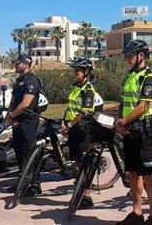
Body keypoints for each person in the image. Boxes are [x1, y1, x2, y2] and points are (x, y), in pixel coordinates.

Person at [115, 39, 152, 225]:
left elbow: (143, 106)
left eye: (130, 55)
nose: (127, 59)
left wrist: (124, 121)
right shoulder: (130, 75)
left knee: (147, 173)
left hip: (143, 129)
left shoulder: (149, 77)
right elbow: (124, 101)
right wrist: (120, 121)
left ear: (141, 56)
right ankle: (137, 212)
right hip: (129, 129)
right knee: (133, 172)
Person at [60, 56, 102, 210]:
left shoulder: (88, 89)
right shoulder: (75, 87)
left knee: (86, 164)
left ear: (86, 73)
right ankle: (79, 191)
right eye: (75, 71)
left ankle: (87, 196)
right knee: (77, 162)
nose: (75, 73)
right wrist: (64, 121)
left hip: (83, 130)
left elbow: (85, 112)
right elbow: (70, 107)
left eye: (78, 71)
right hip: (73, 130)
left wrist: (70, 124)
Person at [5, 54, 43, 196]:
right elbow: (14, 100)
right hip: (16, 122)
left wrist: (12, 115)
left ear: (26, 64)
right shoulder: (19, 80)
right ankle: (22, 182)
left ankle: (34, 185)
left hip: (28, 121)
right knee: (19, 153)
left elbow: (26, 103)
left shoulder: (32, 80)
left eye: (18, 63)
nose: (15, 65)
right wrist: (10, 116)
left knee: (30, 152)